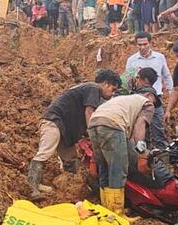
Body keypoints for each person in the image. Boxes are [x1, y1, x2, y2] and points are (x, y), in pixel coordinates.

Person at [28, 70, 121, 199]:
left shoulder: (88, 90)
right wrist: (94, 135)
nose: (113, 94)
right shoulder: (93, 88)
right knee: (45, 152)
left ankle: (70, 188)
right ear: (105, 84)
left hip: (65, 128)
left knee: (70, 159)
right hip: (54, 121)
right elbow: (89, 112)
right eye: (113, 89)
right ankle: (32, 187)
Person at [87, 87, 159, 217]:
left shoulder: (124, 100)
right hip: (112, 125)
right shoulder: (147, 103)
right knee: (118, 169)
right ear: (148, 95)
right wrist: (142, 153)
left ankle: (107, 211)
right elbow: (140, 126)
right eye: (155, 100)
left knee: (104, 167)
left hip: (93, 123)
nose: (154, 104)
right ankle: (117, 214)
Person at [124, 31, 174, 149]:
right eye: (139, 45)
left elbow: (167, 76)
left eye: (145, 44)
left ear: (150, 43)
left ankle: (162, 154)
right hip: (139, 100)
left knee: (158, 129)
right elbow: (127, 80)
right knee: (141, 130)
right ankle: (145, 156)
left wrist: (171, 92)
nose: (142, 47)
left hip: (156, 99)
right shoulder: (132, 60)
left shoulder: (159, 57)